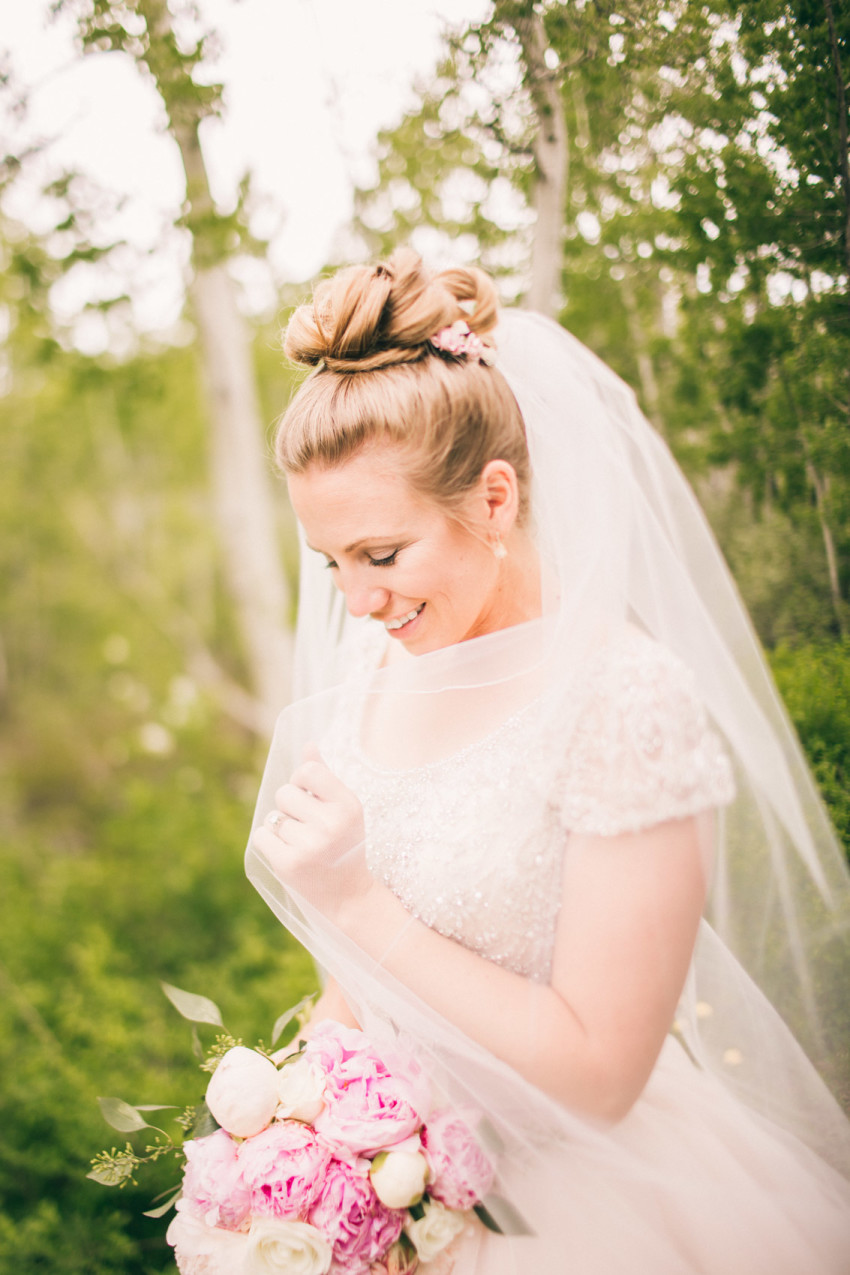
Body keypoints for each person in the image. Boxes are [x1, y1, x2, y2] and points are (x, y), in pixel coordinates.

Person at [246, 249, 850, 1273]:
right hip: (401, 1204)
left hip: (593, 1211)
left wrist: (355, 907)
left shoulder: (622, 700)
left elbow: (601, 1071)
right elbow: (357, 991)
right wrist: (294, 1150)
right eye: (331, 563)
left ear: (492, 499)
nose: (358, 603)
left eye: (382, 556)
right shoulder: (370, 672)